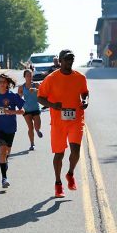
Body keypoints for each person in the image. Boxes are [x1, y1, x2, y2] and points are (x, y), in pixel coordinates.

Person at [37, 49, 89, 198]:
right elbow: (40, 98)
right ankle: (58, 183)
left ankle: (70, 174)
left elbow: (84, 92)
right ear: (60, 61)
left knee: (76, 151)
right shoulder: (51, 79)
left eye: (71, 59)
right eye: (66, 59)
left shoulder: (80, 77)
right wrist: (53, 106)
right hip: (58, 122)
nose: (69, 61)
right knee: (59, 154)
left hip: (76, 119)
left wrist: (85, 100)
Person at [0, 74, 25, 188]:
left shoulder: (13, 96)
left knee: (7, 152)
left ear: (7, 84)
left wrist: (11, 112)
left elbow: (22, 111)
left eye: (4, 82)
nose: (2, 84)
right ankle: (4, 178)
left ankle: (5, 161)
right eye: (0, 82)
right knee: (3, 151)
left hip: (10, 127)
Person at [18, 69, 43, 150]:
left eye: (30, 75)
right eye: (27, 75)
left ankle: (38, 130)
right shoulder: (22, 87)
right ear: (24, 77)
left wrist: (36, 90)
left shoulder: (36, 85)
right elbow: (18, 98)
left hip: (35, 108)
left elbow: (43, 92)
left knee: (37, 125)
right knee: (30, 127)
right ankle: (32, 144)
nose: (29, 77)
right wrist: (20, 95)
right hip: (26, 110)